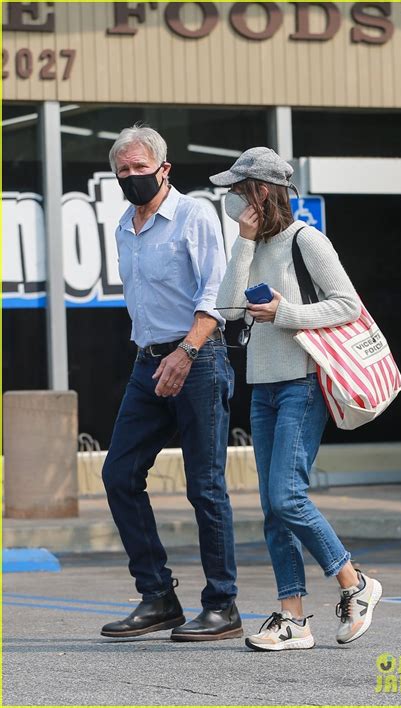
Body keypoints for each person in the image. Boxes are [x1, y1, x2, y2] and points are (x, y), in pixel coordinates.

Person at [212, 147, 382, 652]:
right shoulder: (251, 242)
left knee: (287, 495)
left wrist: (285, 314)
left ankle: (354, 583)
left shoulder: (308, 240)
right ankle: (293, 618)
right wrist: (243, 241)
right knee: (271, 507)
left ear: (262, 191)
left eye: (240, 190)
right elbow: (227, 305)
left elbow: (347, 304)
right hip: (263, 386)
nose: (233, 199)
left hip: (303, 384)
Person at [100, 124, 242, 642]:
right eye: (124, 170)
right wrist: (160, 354)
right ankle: (157, 596)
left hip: (198, 359)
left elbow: (217, 293)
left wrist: (187, 350)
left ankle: (222, 605)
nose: (132, 177)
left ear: (164, 169)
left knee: (204, 487)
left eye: (141, 167)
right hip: (148, 364)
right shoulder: (123, 226)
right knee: (118, 475)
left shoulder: (194, 214)